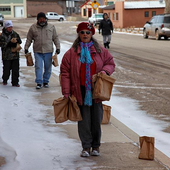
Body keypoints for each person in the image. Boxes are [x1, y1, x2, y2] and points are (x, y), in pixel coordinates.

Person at [60, 22, 115, 157]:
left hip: (96, 91)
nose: (85, 35)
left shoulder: (100, 51)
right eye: (82, 32)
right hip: (80, 91)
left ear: (92, 34)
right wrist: (66, 92)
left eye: (88, 32)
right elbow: (65, 72)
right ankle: (86, 147)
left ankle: (96, 146)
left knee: (96, 120)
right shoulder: (71, 53)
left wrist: (104, 72)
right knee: (83, 121)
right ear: (78, 34)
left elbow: (110, 63)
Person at [24, 12, 60, 89]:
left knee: (48, 67)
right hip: (38, 51)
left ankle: (46, 81)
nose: (42, 20)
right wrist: (26, 47)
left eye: (43, 19)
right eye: (40, 19)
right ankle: (39, 82)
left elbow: (55, 38)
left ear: (45, 19)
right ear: (37, 20)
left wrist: (58, 48)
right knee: (38, 67)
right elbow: (29, 39)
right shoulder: (33, 27)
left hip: (48, 50)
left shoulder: (51, 27)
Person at [0, 20, 22, 87]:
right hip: (6, 55)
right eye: (9, 27)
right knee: (6, 69)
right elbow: (1, 44)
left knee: (15, 69)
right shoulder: (2, 35)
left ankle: (15, 82)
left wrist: (18, 41)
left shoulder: (14, 34)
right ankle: (5, 79)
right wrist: (8, 44)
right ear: (6, 27)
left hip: (15, 55)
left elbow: (20, 41)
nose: (10, 28)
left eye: (11, 27)